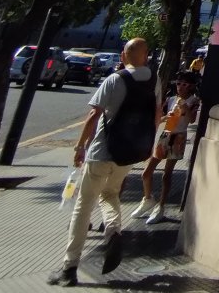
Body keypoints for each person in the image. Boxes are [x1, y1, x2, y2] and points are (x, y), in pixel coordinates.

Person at [48, 37, 159, 287]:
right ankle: (113, 231)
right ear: (146, 56)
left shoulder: (114, 79)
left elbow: (93, 114)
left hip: (101, 151)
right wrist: (147, 144)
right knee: (110, 194)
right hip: (129, 153)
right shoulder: (155, 80)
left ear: (124, 55)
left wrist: (80, 146)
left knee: (83, 206)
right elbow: (157, 113)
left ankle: (69, 267)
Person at [132, 71, 201, 224]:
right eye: (178, 83)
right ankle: (147, 199)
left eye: (184, 84)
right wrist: (165, 117)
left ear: (191, 86)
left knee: (166, 174)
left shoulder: (193, 100)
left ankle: (161, 207)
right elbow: (160, 117)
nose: (180, 87)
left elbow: (192, 120)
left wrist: (185, 107)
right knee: (147, 172)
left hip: (178, 137)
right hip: (166, 135)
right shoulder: (171, 99)